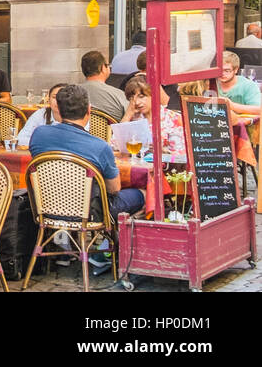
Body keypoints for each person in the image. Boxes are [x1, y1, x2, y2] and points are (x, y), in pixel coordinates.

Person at [28, 84, 145, 271]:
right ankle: (107, 251)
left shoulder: (38, 135)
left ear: (57, 108)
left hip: (46, 209)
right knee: (145, 193)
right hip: (90, 213)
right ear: (89, 110)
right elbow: (114, 189)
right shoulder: (99, 146)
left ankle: (90, 248)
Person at [120, 76, 185, 158]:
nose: (136, 102)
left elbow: (181, 156)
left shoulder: (173, 119)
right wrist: (127, 115)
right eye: (131, 98)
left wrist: (162, 152)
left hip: (164, 167)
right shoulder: (132, 119)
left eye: (141, 96)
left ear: (153, 95)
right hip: (134, 166)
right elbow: (115, 146)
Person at [81, 50, 128, 120]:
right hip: (111, 130)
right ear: (103, 68)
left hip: (77, 130)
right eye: (108, 65)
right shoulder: (119, 95)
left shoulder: (70, 94)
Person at [220, 51, 262, 117]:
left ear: (236, 70)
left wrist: (232, 106)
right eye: (220, 70)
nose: (222, 74)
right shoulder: (210, 83)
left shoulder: (248, 86)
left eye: (227, 71)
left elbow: (259, 110)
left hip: (242, 125)